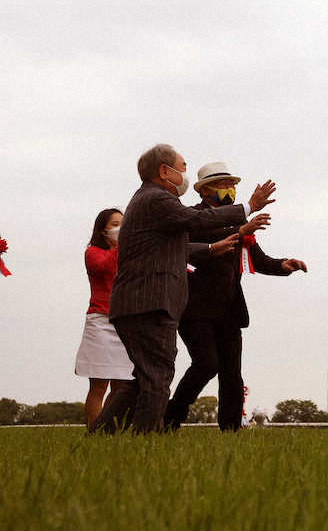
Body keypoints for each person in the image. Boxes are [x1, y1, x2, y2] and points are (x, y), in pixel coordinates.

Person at [90, 144, 275, 434]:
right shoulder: (157, 199)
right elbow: (198, 220)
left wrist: (213, 249)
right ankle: (145, 441)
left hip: (141, 304)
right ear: (164, 171)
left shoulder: (151, 201)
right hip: (149, 304)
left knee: (144, 379)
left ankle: (99, 437)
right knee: (157, 378)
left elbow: (178, 247)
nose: (184, 174)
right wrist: (248, 207)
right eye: (182, 167)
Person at [164, 161, 306, 432]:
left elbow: (258, 260)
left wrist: (284, 265)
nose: (230, 189)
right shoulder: (193, 217)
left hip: (229, 309)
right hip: (194, 309)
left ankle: (230, 430)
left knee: (232, 374)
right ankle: (170, 418)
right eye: (223, 185)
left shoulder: (238, 222)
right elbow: (202, 241)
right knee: (206, 364)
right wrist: (239, 230)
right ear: (205, 191)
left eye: (232, 185)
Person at [74, 208, 133, 426]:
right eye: (116, 224)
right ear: (103, 230)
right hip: (100, 321)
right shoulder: (92, 253)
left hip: (124, 321)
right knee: (98, 386)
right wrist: (121, 245)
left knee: (121, 386)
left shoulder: (129, 253)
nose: (121, 228)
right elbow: (104, 265)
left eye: (124, 223)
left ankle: (109, 428)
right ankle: (94, 430)